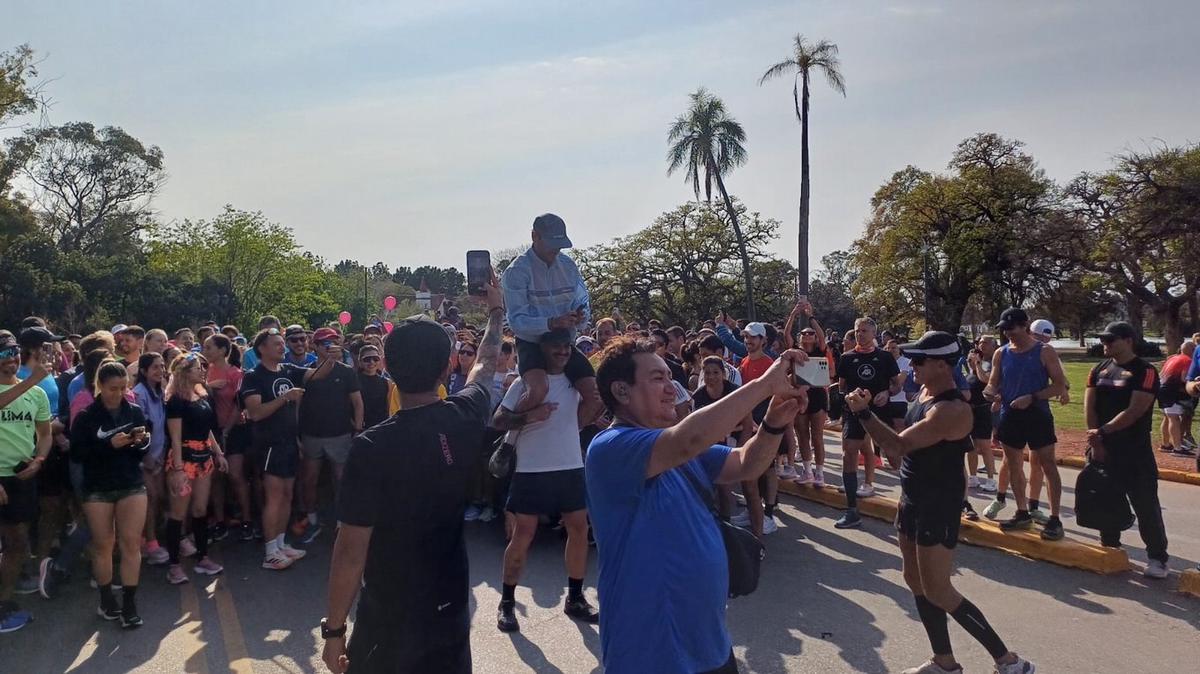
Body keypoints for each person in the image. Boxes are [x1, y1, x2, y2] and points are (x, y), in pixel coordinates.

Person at [585, 337, 808, 674]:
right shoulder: (610, 447)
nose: (671, 389)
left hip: (710, 645)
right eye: (657, 379)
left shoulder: (677, 447)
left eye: (669, 377)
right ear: (621, 391)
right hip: (651, 651)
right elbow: (688, 438)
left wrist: (774, 421)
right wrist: (764, 385)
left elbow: (746, 463)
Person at [321, 270, 505, 674]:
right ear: (448, 366)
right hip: (450, 609)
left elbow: (351, 549)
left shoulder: (370, 447)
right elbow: (486, 365)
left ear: (386, 365)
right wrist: (496, 312)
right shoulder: (467, 415)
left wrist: (334, 632)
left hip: (389, 617)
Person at [844, 331, 1035, 674]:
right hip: (913, 499)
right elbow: (909, 449)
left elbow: (898, 445)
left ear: (943, 364)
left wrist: (864, 414)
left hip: (938, 504)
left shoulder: (952, 408)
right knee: (915, 580)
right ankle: (944, 663)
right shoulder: (923, 394)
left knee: (939, 589)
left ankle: (1009, 662)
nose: (912, 366)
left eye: (919, 360)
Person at [491, 329, 598, 633]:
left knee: (579, 529)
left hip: (570, 467)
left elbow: (591, 406)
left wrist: (574, 426)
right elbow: (498, 421)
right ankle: (507, 603)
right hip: (532, 470)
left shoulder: (576, 382)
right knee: (523, 535)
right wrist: (531, 415)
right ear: (542, 350)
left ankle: (575, 598)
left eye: (567, 347)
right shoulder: (526, 384)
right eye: (556, 347)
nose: (563, 352)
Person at [1084, 322, 1170, 579]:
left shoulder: (1145, 371)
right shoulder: (1099, 369)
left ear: (1128, 340)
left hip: (1134, 451)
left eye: (1111, 340)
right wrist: (1095, 439)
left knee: (1145, 505)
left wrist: (1104, 431)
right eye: (1103, 340)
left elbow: (1135, 410)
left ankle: (1157, 558)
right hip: (1102, 447)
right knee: (1105, 500)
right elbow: (1090, 407)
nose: (1106, 344)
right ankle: (1110, 546)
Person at [69, 361, 151, 629]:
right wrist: (108, 445)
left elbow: (141, 451)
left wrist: (140, 442)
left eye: (122, 388)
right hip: (98, 487)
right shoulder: (86, 417)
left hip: (130, 483)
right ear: (100, 387)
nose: (118, 394)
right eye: (112, 389)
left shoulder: (135, 411)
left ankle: (130, 602)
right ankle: (106, 599)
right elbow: (78, 455)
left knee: (131, 544)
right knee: (104, 545)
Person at [500, 213, 602, 427]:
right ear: (534, 236)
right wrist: (551, 322)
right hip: (533, 342)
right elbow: (517, 322)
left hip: (564, 341)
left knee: (596, 396)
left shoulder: (568, 266)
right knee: (538, 390)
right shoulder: (516, 272)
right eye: (551, 243)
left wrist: (580, 316)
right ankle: (509, 437)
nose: (556, 250)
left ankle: (571, 434)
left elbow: (581, 303)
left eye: (560, 244)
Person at [984, 308, 1068, 540]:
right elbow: (993, 383)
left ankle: (1054, 517)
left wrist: (1032, 397)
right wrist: (990, 392)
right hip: (1010, 415)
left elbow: (1059, 385)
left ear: (1025, 325)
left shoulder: (1044, 351)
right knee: (1013, 463)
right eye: (1004, 329)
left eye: (1012, 328)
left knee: (1047, 464)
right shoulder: (1001, 353)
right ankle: (1022, 511)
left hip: (1037, 414)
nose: (1008, 333)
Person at [239, 328, 308, 570]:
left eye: (282, 343)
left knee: (288, 494)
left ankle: (281, 543)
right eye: (277, 344)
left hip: (289, 442)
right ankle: (270, 552)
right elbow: (255, 413)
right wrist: (285, 398)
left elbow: (315, 374)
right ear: (262, 348)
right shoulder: (253, 376)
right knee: (274, 497)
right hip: (269, 445)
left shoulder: (287, 370)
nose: (283, 347)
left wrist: (330, 357)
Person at [0, 331, 53, 634]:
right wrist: (31, 380)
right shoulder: (32, 386)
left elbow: (44, 435)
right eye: (3, 355)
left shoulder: (37, 394)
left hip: (21, 477)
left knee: (18, 544)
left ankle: (4, 604)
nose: (11, 361)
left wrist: (39, 461)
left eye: (14, 354)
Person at [163, 353, 229, 584]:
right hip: (184, 459)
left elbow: (208, 430)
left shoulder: (202, 396)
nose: (203, 370)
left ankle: (202, 557)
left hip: (204, 458)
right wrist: (178, 469)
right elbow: (175, 435)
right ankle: (174, 564)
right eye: (197, 367)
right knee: (178, 514)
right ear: (184, 372)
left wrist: (218, 452)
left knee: (201, 509)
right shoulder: (175, 401)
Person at [296, 327, 363, 544]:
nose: (329, 346)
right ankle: (312, 521)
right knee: (309, 480)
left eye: (333, 342)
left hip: (340, 434)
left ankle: (342, 522)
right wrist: (295, 434)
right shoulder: (305, 372)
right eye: (324, 343)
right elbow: (297, 406)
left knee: (341, 480)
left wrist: (359, 430)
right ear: (314, 346)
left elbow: (357, 402)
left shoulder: (346, 372)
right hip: (311, 435)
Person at [835, 317, 903, 529]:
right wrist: (848, 396)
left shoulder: (884, 357)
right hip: (854, 411)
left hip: (880, 412)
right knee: (849, 453)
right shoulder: (846, 357)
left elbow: (896, 385)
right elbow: (841, 387)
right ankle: (852, 509)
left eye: (864, 331)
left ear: (874, 334)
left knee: (893, 457)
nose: (859, 334)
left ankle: (910, 502)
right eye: (856, 331)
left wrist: (887, 392)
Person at [203, 334, 245, 542]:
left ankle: (246, 519)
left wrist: (227, 430)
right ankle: (220, 521)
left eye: (209, 347)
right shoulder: (205, 372)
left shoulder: (236, 373)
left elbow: (239, 405)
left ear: (222, 350)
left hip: (234, 429)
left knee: (235, 475)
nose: (205, 351)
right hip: (211, 430)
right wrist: (209, 387)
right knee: (216, 478)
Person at [132, 352, 170, 566]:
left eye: (162, 367)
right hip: (144, 460)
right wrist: (146, 457)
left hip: (158, 456)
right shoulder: (139, 393)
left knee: (158, 499)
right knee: (150, 500)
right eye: (155, 367)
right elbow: (141, 429)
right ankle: (148, 542)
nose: (160, 371)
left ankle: (148, 537)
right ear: (144, 371)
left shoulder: (159, 391)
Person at [962, 336, 999, 495]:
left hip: (983, 409)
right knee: (970, 446)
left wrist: (977, 364)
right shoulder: (977, 362)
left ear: (993, 346)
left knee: (984, 445)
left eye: (985, 343)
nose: (981, 346)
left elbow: (986, 380)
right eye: (980, 343)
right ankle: (973, 476)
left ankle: (991, 479)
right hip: (970, 409)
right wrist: (972, 364)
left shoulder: (992, 363)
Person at [1158, 341, 1196, 456]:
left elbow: (1161, 374)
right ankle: (1178, 448)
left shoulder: (1172, 358)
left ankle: (1166, 444)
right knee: (1174, 418)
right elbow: (1184, 378)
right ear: (1192, 350)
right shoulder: (1188, 360)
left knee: (1167, 417)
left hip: (1162, 389)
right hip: (1172, 391)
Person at [355, 344, 390, 429]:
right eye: (367, 359)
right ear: (360, 362)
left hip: (382, 427)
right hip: (361, 428)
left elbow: (387, 407)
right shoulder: (354, 381)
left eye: (375, 359)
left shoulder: (386, 382)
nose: (372, 362)